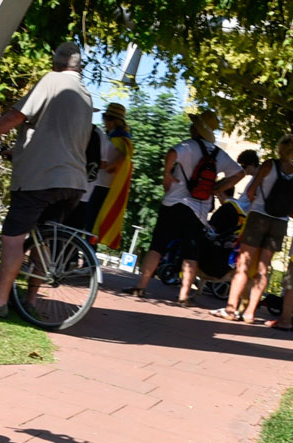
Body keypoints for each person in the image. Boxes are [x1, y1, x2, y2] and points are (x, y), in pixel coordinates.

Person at [0, 41, 94, 318]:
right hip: (72, 181)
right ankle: (30, 301)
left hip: (41, 179)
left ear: (55, 63)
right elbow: (59, 134)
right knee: (41, 240)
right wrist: (18, 150)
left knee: (13, 239)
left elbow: (16, 116)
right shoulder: (85, 94)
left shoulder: (52, 80)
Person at [124, 110, 244, 305]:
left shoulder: (188, 146)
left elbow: (171, 153)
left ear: (197, 129)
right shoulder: (219, 154)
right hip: (199, 210)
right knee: (191, 252)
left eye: (193, 124)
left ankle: (141, 287)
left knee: (158, 246)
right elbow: (239, 173)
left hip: (174, 203)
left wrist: (167, 174)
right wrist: (218, 188)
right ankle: (183, 297)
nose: (190, 127)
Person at [212, 135, 293, 323]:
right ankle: (250, 313)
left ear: (280, 148)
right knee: (264, 269)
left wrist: (258, 202)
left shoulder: (269, 165)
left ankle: (231, 308)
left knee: (244, 264)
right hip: (279, 223)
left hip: (258, 216)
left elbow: (250, 191)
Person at [88, 102, 134, 248]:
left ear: (116, 121)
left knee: (92, 223)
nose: (105, 121)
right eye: (104, 117)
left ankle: (89, 257)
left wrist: (109, 165)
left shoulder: (121, 139)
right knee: (90, 223)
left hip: (105, 186)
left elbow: (124, 158)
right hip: (98, 184)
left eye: (108, 118)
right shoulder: (110, 136)